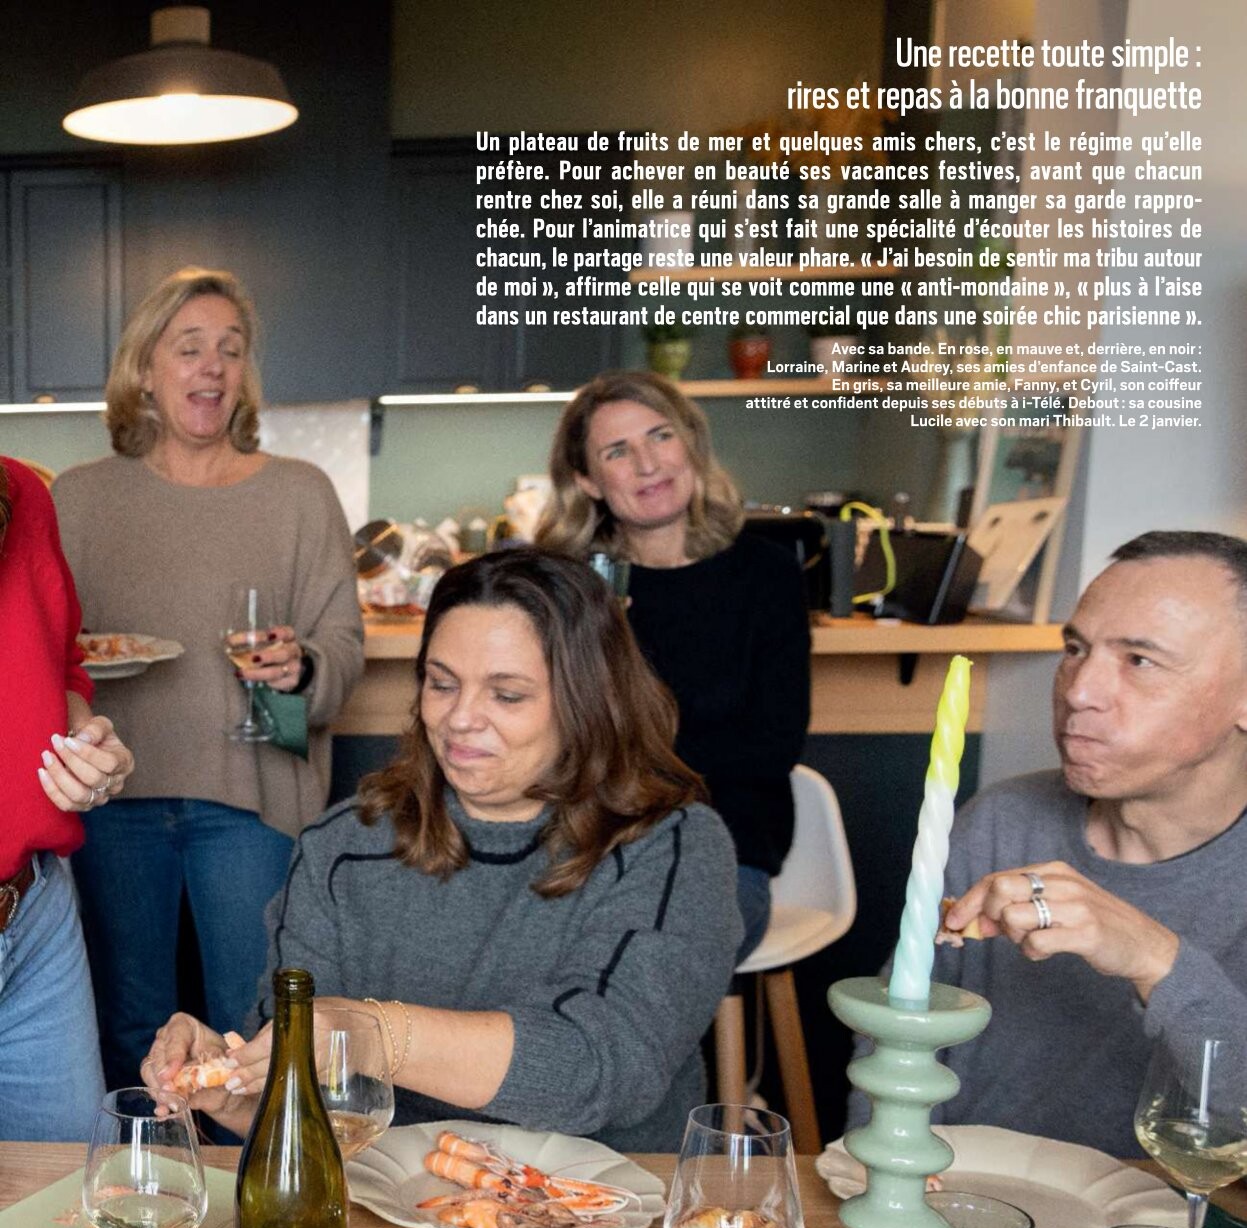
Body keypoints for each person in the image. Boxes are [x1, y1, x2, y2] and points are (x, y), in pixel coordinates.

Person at [140, 547, 742, 1151]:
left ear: (591, 701)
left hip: (610, 1196)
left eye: (507, 695)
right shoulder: (344, 846)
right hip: (387, 1198)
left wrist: (373, 1036)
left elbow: (603, 1067)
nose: (460, 718)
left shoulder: (672, 844)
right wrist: (233, 1092)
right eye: (442, 683)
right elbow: (303, 1112)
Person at [54, 266, 364, 1092]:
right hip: (115, 799)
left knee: (249, 1025)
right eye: (189, 347)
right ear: (143, 369)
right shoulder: (78, 500)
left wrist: (301, 667)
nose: (213, 367)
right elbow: (46, 651)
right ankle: (147, 1167)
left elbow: (343, 646)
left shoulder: (300, 494)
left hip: (249, 798)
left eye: (230, 349)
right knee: (130, 1024)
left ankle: (253, 1167)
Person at [848, 531, 1247, 1158]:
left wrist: (1155, 958)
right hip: (962, 1197)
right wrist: (894, 1171)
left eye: (1139, 661)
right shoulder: (1003, 822)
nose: (1078, 691)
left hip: (1163, 1215)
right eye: (1075, 648)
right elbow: (897, 1041)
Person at [536, 371, 810, 961]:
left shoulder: (766, 575)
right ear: (586, 480)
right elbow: (545, 738)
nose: (648, 463)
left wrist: (628, 761)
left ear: (690, 445)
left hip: (721, 849)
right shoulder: (571, 587)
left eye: (660, 436)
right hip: (580, 846)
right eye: (617, 451)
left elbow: (773, 746)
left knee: (642, 961)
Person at [0, 456, 135, 1139]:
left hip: (35, 910)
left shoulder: (21, 492)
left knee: (69, 1191)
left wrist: (84, 738)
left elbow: (59, 664)